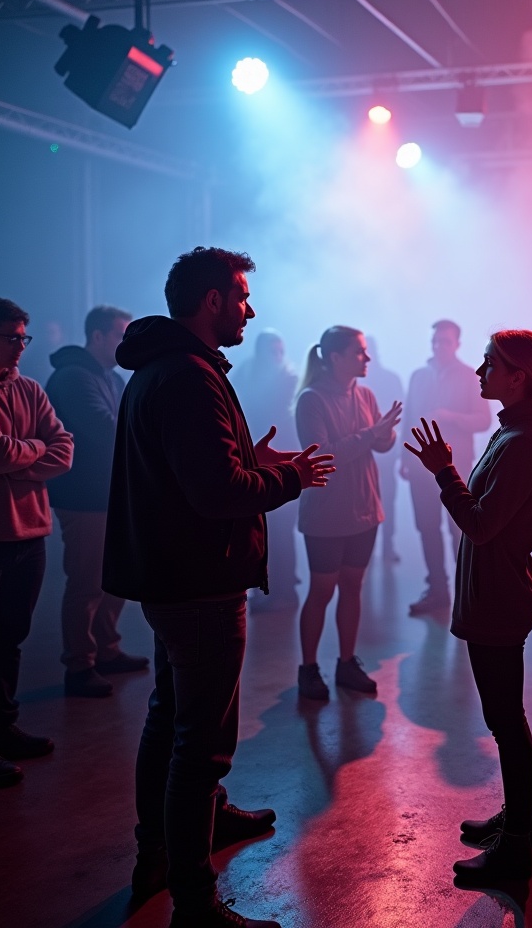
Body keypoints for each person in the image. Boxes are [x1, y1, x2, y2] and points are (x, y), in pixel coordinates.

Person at [103, 247, 334, 928]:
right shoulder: (188, 377)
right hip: (198, 581)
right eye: (239, 295)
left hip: (172, 575)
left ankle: (170, 845)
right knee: (200, 741)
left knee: (170, 719)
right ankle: (195, 904)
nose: (248, 308)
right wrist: (286, 479)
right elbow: (217, 492)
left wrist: (248, 458)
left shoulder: (167, 368)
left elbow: (200, 470)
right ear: (210, 302)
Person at [404, 329, 532, 887]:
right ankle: (521, 819)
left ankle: (517, 843)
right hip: (495, 593)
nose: (479, 371)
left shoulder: (521, 443)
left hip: (499, 598)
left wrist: (444, 471)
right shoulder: (515, 433)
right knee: (504, 719)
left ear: (518, 378)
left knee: (505, 721)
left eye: (490, 364)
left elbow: (481, 524)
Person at [46, 304, 148, 699]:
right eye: (122, 335)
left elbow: (124, 425)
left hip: (109, 494)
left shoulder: (109, 376)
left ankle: (105, 649)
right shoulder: (73, 377)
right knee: (87, 583)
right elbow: (109, 429)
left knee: (114, 580)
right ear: (98, 336)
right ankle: (81, 664)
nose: (128, 344)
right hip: (85, 497)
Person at [295, 326, 401, 699]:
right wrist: (374, 433)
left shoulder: (366, 394)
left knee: (353, 586)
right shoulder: (311, 400)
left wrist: (385, 433)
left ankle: (346, 662)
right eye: (359, 352)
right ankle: (308, 668)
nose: (367, 358)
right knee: (322, 589)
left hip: (364, 510)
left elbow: (381, 445)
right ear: (334, 357)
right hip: (326, 513)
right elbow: (325, 456)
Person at [0, 298, 73, 788]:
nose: (21, 346)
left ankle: (2, 728)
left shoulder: (30, 389)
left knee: (10, 639)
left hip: (30, 532)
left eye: (24, 337)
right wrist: (32, 452)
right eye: (11, 337)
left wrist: (19, 455)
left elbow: (63, 451)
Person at [402, 320, 491, 615]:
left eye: (445, 342)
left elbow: (484, 420)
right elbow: (408, 419)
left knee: (460, 529)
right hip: (421, 467)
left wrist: (450, 416)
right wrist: (405, 458)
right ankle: (438, 590)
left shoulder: (469, 376)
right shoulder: (418, 376)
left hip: (457, 466)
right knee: (427, 529)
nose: (439, 346)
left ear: (457, 344)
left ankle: (467, 590)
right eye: (436, 341)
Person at [232, 329, 301, 613]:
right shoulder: (244, 378)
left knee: (281, 531)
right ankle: (271, 587)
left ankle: (283, 589)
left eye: (280, 351)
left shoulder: (291, 380)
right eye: (272, 351)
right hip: (253, 461)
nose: (277, 356)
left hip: (282, 460)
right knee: (262, 530)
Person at [364, 336, 405, 566]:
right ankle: (380, 547)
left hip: (383, 451)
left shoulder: (384, 379)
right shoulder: (382, 379)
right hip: (373, 448)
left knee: (386, 500)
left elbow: (402, 415)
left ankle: (386, 545)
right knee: (378, 499)